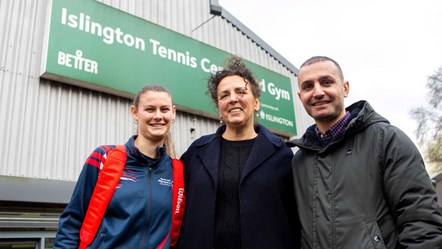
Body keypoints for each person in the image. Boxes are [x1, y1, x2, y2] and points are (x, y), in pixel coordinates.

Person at [288, 56, 442, 248]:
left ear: (345, 88)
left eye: (326, 82)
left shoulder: (387, 140)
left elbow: (422, 222)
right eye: (308, 86)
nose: (318, 92)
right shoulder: (299, 161)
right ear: (300, 96)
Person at [175, 56, 300, 249]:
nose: (233, 98)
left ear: (256, 103)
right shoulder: (196, 153)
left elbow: (293, 217)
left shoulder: (281, 155)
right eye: (224, 95)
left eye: (241, 92)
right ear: (219, 109)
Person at [54, 85, 177, 248]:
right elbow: (72, 222)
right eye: (149, 109)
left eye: (164, 109)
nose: (158, 116)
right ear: (134, 112)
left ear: (173, 113)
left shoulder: (177, 172)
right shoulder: (104, 157)